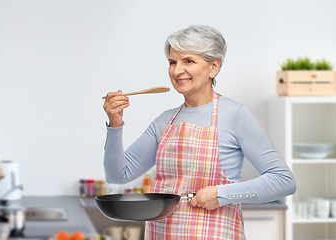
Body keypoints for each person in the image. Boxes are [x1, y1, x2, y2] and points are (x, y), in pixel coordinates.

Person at [103, 25, 296, 239]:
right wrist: (115, 124)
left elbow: (283, 181)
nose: (177, 71)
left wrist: (221, 194)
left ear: (214, 67)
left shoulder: (235, 115)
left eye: (189, 61)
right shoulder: (165, 121)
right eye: (172, 62)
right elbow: (118, 175)